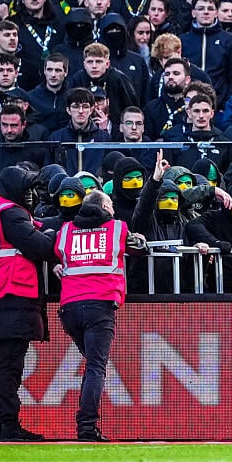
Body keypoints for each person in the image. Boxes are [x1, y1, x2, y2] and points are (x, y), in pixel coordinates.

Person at [53, 189, 148, 441]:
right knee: (96, 367)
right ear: (105, 207)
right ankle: (86, 427)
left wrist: (55, 265)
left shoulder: (65, 231)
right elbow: (141, 248)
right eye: (111, 206)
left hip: (70, 308)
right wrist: (139, 238)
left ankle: (86, 424)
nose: (114, 210)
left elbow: (55, 252)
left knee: (92, 365)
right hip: (100, 305)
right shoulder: (117, 228)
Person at [0, 166, 56, 442]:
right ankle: (8, 426)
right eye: (28, 188)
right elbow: (41, 247)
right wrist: (54, 234)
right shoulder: (11, 213)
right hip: (12, 296)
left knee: (5, 367)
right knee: (10, 369)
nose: (32, 194)